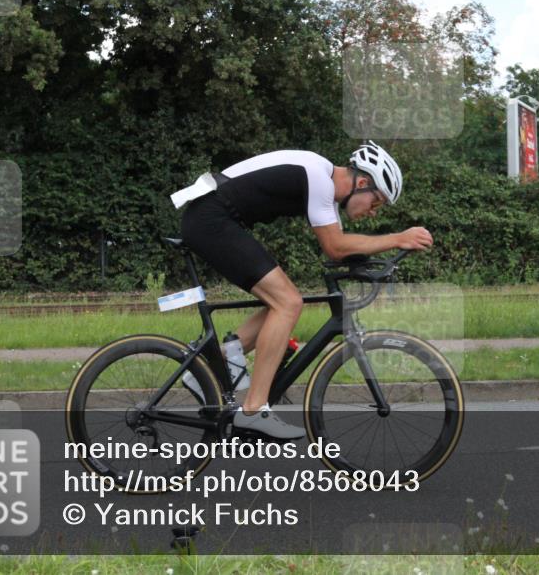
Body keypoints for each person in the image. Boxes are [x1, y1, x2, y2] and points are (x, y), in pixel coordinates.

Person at [179, 141, 433, 438]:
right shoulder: (318, 177)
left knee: (284, 300)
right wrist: (397, 238)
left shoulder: (320, 178)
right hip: (211, 219)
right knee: (287, 303)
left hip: (213, 216)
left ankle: (214, 365)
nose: (374, 212)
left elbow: (340, 248)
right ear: (362, 183)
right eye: (376, 202)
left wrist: (369, 262)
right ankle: (254, 409)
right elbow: (336, 247)